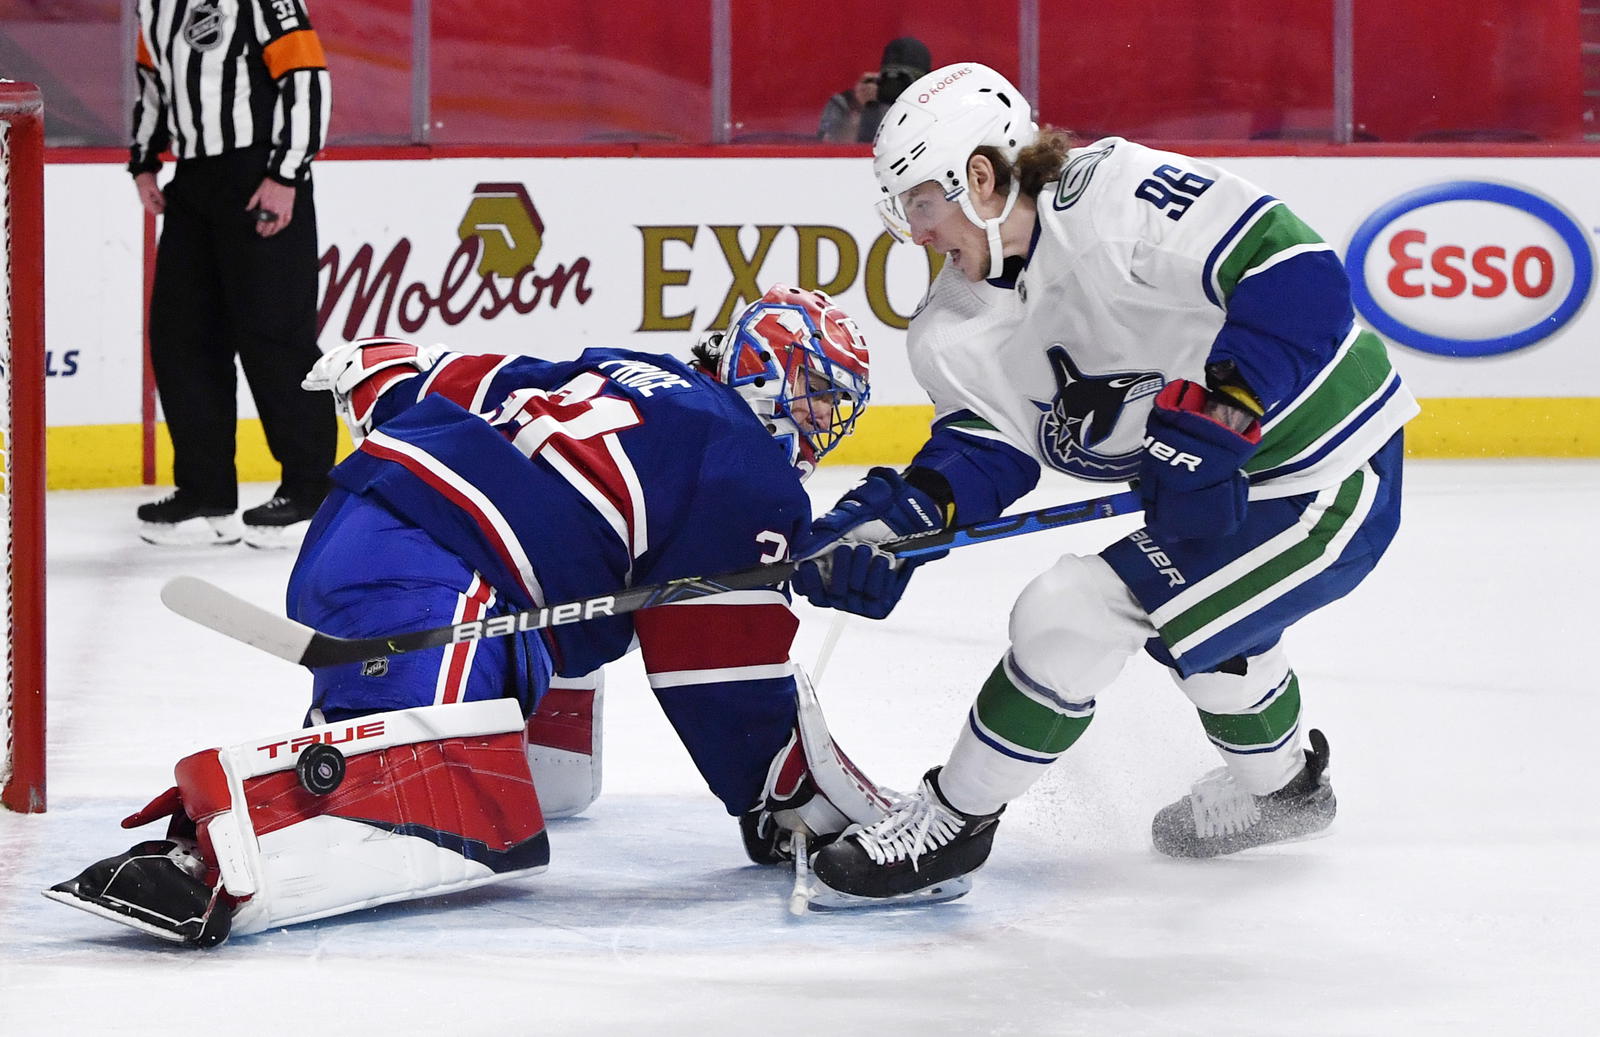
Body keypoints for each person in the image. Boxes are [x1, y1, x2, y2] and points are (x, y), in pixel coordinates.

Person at [46, 286, 890, 947]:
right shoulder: (748, 468)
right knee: (434, 793)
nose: (822, 420)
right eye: (814, 393)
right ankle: (205, 855)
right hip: (438, 564)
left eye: (834, 405)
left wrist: (389, 371)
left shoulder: (635, 369)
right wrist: (781, 788)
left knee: (580, 607)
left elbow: (487, 378)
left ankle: (529, 743)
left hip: (381, 514)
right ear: (759, 366)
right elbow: (719, 673)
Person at [793, 63, 1420, 905]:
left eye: (920, 203)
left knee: (1075, 609)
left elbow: (1296, 269)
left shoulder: (1111, 195)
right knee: (1211, 632)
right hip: (1205, 488)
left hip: (1325, 466)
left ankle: (953, 820)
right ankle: (1288, 790)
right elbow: (992, 448)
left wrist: (1224, 416)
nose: (915, 233)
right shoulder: (952, 324)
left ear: (978, 177)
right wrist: (906, 516)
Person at [130, 0, 338, 548]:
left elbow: (307, 80)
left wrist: (287, 174)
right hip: (194, 181)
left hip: (260, 172)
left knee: (275, 335)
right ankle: (206, 490)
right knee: (180, 338)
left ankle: (311, 489)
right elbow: (153, 81)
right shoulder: (152, 7)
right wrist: (145, 160)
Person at [817, 37, 931, 144]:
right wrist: (857, 108)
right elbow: (830, 153)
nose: (895, 87)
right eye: (891, 79)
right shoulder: (846, 103)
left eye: (904, 80)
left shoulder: (933, 106)